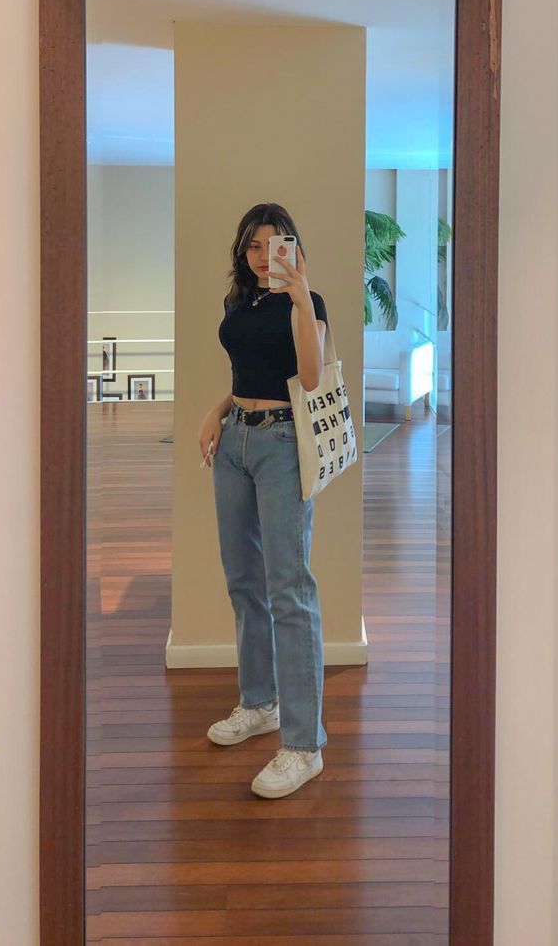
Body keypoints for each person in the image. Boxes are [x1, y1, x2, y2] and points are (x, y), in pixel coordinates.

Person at [197, 202, 329, 799]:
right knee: (243, 580)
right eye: (253, 244)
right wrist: (218, 409)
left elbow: (308, 375)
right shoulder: (239, 303)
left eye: (275, 245)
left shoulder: (307, 303)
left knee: (290, 588)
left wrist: (300, 295)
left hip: (280, 445)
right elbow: (244, 372)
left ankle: (303, 746)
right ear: (242, 250)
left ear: (294, 250)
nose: (261, 255)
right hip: (234, 446)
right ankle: (260, 703)